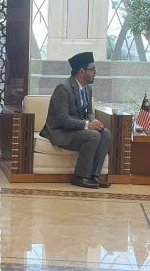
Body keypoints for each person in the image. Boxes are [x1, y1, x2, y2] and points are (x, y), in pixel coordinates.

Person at [40, 52, 112, 189]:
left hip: (76, 129)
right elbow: (63, 119)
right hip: (61, 131)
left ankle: (94, 176)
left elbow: (89, 113)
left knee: (106, 133)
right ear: (82, 72)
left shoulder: (87, 89)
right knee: (93, 135)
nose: (95, 73)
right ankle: (80, 177)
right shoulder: (63, 88)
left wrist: (94, 122)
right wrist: (87, 125)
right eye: (93, 69)